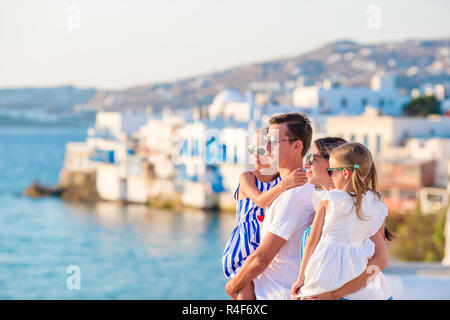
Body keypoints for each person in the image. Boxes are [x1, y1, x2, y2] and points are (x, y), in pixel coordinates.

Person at [225, 113, 315, 300]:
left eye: (273, 142)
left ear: (296, 146)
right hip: (247, 248)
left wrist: (232, 286)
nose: (266, 148)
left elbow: (261, 259)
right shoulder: (296, 188)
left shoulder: (293, 196)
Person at [292, 142, 393, 300]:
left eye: (331, 171)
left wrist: (301, 278)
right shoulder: (376, 203)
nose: (331, 175)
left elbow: (312, 241)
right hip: (360, 278)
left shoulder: (329, 199)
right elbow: (376, 248)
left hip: (326, 275)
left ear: (345, 173)